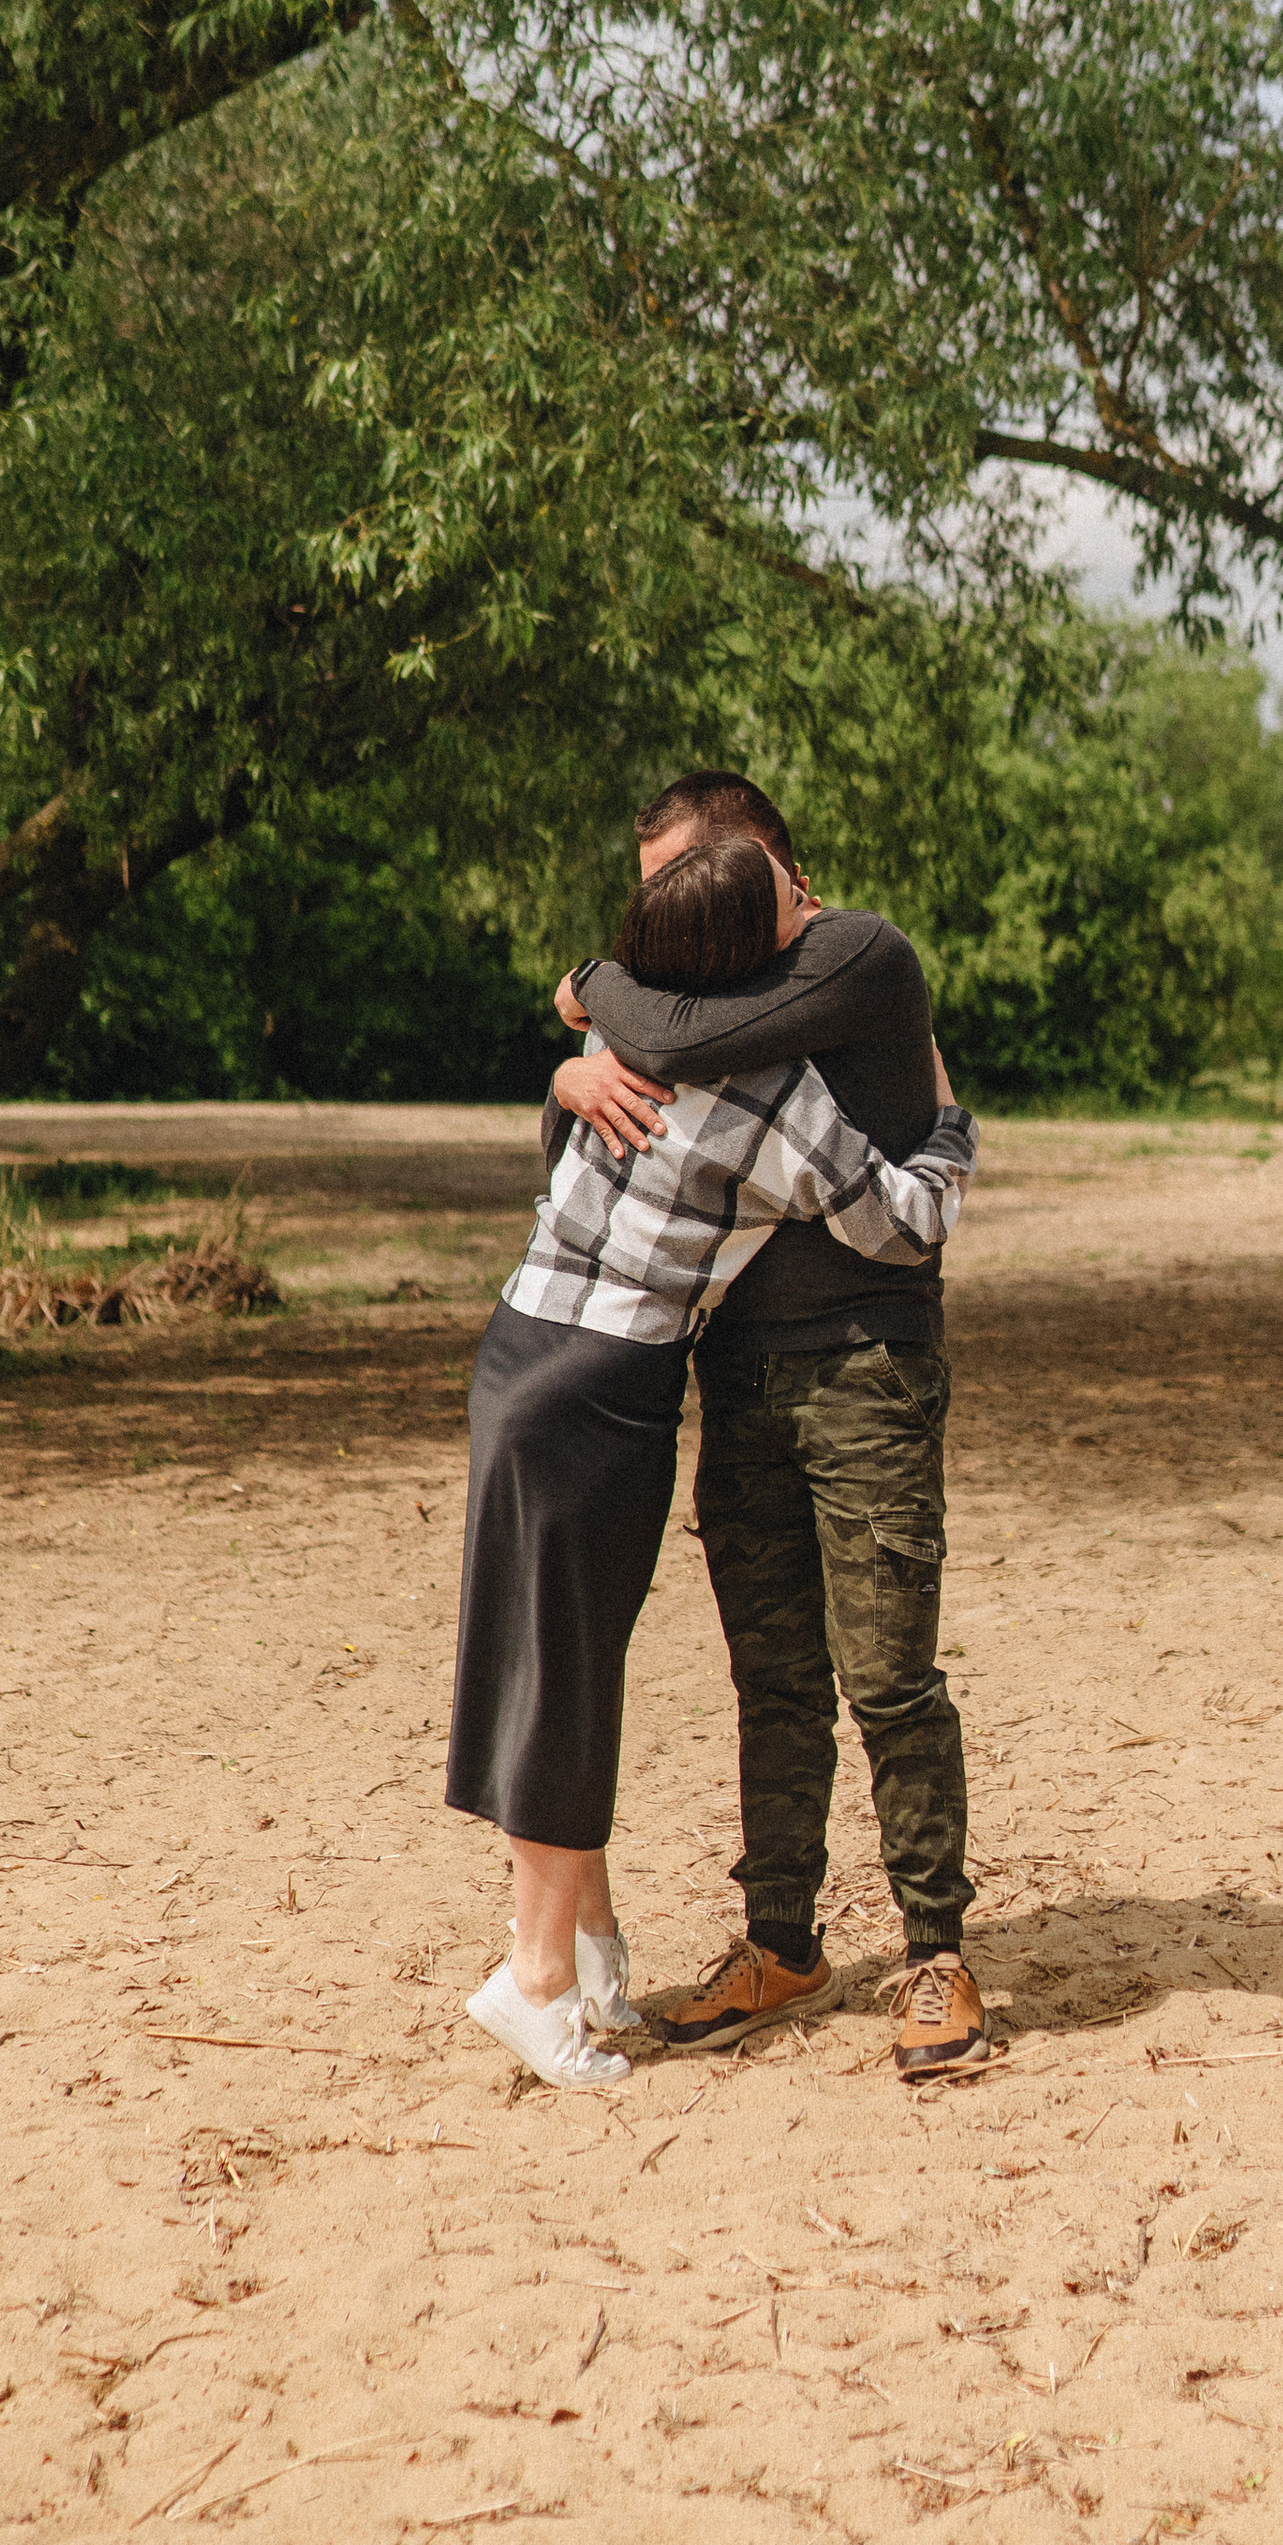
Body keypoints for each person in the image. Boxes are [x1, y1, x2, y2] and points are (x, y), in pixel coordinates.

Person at [450, 829, 978, 2089]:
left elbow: (586, 1127)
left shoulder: (805, 977)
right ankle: (677, 1954)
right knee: (703, 1674)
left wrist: (585, 1029)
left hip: (562, 1353)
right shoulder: (759, 1090)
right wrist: (951, 1126)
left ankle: (914, 1953)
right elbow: (906, 1218)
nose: (814, 901)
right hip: (646, 1382)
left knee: (859, 1675)